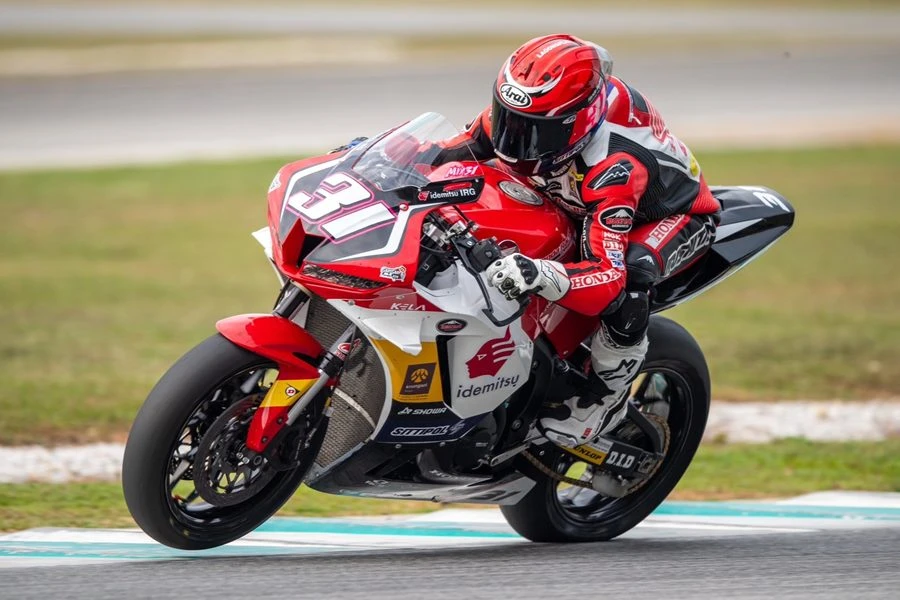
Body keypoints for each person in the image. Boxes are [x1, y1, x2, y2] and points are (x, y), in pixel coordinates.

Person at [426, 33, 721, 449]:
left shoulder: (613, 167)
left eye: (534, 132)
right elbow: (444, 151)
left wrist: (538, 273)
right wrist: (376, 161)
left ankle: (606, 397)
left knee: (633, 276)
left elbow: (607, 279)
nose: (514, 140)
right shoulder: (528, 114)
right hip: (575, 197)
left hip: (671, 217)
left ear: (578, 123)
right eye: (509, 118)